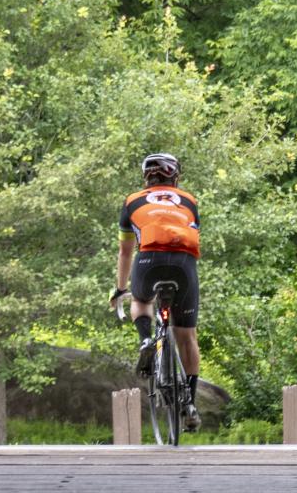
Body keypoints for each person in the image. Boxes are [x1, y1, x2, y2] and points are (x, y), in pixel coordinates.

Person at [110, 152, 202, 431]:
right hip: (184, 265)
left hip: (148, 260)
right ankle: (191, 403)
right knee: (186, 336)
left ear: (146, 177)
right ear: (175, 176)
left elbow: (126, 251)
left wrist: (119, 289)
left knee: (140, 300)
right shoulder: (189, 201)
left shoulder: (132, 202)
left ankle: (146, 339)